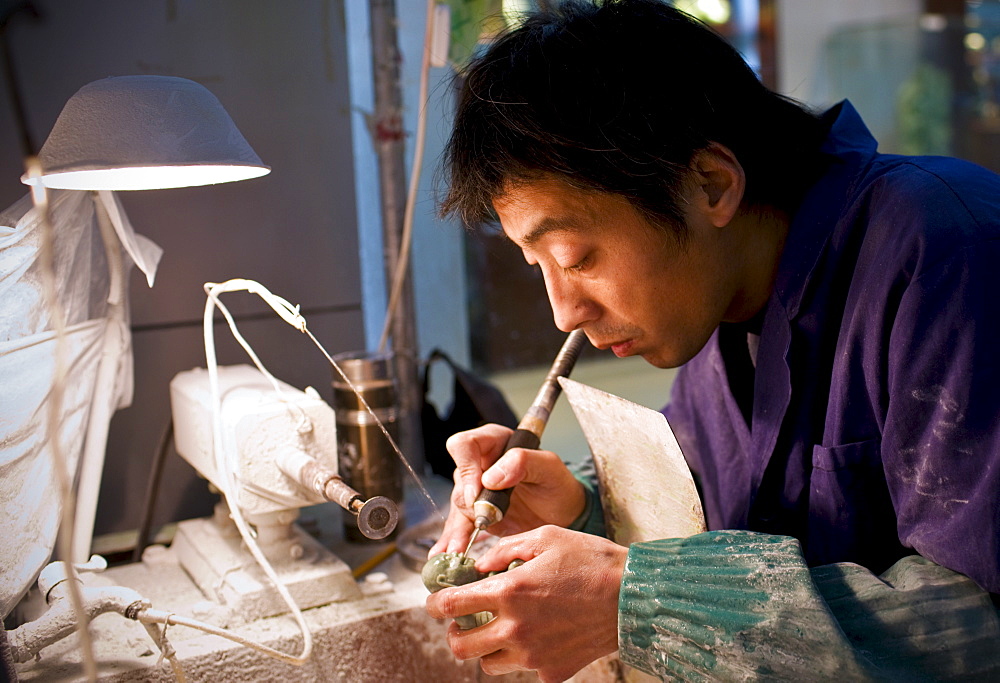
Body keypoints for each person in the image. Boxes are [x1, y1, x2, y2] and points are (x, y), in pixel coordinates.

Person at [424, 1, 1000, 680]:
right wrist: (578, 509)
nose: (564, 313)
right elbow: (707, 520)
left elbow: (984, 620)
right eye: (538, 267)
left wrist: (639, 607)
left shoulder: (944, 247)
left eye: (578, 256)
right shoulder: (723, 305)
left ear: (711, 184)